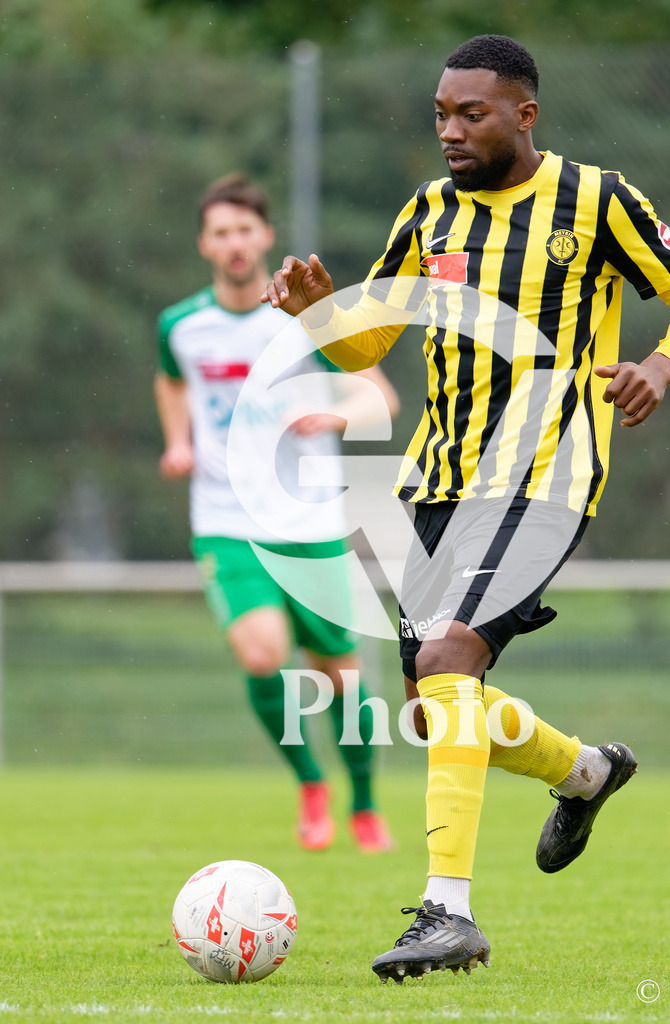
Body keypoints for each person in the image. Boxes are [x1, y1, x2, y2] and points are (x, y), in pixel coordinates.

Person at [263, 35, 670, 982]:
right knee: (443, 713)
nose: (449, 130)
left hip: (545, 476)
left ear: (524, 113)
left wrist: (657, 365)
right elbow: (371, 347)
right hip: (432, 483)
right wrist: (319, 317)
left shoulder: (596, 199)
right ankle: (585, 772)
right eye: (439, 113)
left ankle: (447, 914)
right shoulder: (426, 214)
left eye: (470, 112)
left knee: (447, 660)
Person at [155, 173, 399, 853]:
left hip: (310, 521)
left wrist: (333, 412)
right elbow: (172, 381)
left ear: (264, 237)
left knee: (339, 677)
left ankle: (366, 805)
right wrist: (178, 442)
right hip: (225, 521)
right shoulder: (180, 325)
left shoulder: (301, 319)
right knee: (262, 656)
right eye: (220, 232)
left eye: (245, 230)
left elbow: (378, 395)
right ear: (205, 243)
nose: (234, 243)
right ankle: (310, 783)